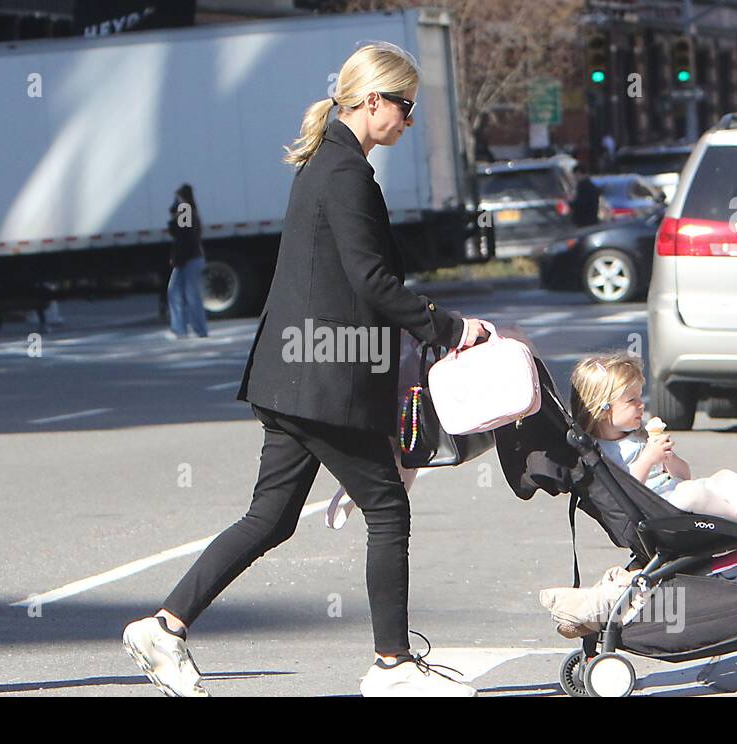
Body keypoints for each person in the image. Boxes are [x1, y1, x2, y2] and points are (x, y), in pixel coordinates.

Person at [122, 42, 491, 698]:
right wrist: (452, 328)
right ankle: (392, 664)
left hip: (298, 373)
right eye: (405, 107)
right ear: (372, 100)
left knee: (271, 515)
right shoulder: (344, 173)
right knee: (386, 506)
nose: (409, 121)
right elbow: (370, 280)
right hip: (322, 378)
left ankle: (164, 626)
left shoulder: (329, 164)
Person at [569, 353, 737, 571]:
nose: (641, 405)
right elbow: (622, 493)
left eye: (640, 397)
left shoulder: (638, 438)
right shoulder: (601, 452)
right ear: (602, 409)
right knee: (694, 492)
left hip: (675, 498)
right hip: (656, 515)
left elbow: (684, 475)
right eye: (631, 400)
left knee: (724, 478)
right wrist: (648, 459)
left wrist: (668, 459)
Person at [166, 184, 210, 338]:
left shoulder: (185, 209)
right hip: (190, 258)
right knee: (181, 293)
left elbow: (183, 235)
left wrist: (179, 258)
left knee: (184, 294)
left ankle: (188, 329)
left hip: (188, 259)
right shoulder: (189, 209)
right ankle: (189, 329)